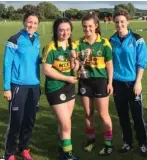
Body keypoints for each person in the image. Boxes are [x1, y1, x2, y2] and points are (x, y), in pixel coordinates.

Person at [3, 11, 41, 160]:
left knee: (29, 120)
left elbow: (36, 61)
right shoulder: (14, 39)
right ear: (24, 22)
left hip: (34, 86)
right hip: (18, 85)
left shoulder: (37, 39)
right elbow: (7, 64)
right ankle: (9, 153)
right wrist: (7, 88)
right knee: (16, 121)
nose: (31, 25)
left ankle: (24, 148)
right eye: (29, 22)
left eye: (35, 23)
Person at [75, 12, 114, 155]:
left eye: (90, 26)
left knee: (103, 114)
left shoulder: (104, 43)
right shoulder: (79, 43)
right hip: (85, 82)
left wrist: (110, 83)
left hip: (100, 81)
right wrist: (78, 62)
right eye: (84, 26)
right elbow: (75, 62)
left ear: (96, 26)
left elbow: (109, 65)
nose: (87, 29)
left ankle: (108, 144)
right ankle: (91, 141)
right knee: (88, 113)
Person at [109, 9, 147, 156]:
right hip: (117, 84)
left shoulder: (137, 39)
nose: (119, 24)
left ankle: (143, 144)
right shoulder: (111, 40)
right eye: (117, 22)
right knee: (123, 116)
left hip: (133, 84)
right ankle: (127, 143)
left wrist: (138, 82)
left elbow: (141, 63)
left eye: (122, 21)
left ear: (128, 22)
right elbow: (109, 63)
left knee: (137, 116)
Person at [42, 17, 79, 160]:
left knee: (64, 122)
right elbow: (46, 70)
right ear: (56, 31)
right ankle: (68, 156)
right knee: (66, 124)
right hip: (55, 88)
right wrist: (66, 78)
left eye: (68, 30)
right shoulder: (51, 47)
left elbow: (74, 68)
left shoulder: (72, 45)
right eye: (62, 30)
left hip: (69, 87)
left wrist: (74, 60)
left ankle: (62, 150)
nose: (65, 33)